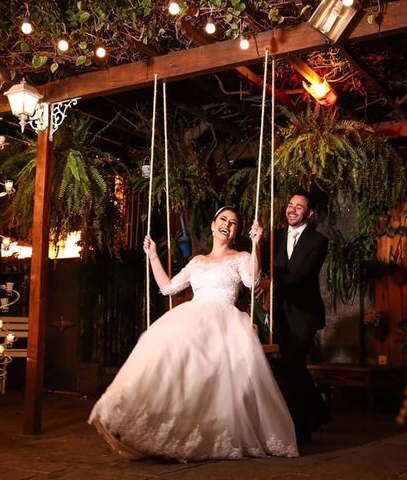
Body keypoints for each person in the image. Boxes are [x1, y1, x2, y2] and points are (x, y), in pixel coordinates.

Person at [89, 206, 298, 462]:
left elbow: (252, 282)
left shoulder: (241, 256)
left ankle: (199, 430)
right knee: (165, 347)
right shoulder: (197, 261)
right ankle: (152, 419)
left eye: (233, 223)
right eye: (223, 219)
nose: (227, 224)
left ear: (236, 232)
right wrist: (153, 256)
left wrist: (256, 245)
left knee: (200, 357)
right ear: (212, 225)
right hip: (192, 314)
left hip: (223, 319)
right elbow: (168, 288)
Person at [271, 190, 329, 443]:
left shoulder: (318, 241)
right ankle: (318, 412)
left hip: (304, 314)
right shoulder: (273, 238)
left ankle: (301, 427)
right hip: (278, 313)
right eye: (290, 204)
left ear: (310, 213)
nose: (292, 210)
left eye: (299, 207)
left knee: (291, 366)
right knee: (290, 367)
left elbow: (299, 276)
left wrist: (267, 282)